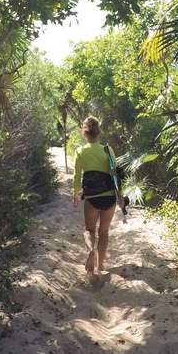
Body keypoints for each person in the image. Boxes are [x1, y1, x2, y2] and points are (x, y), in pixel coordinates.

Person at [72, 116, 119, 274]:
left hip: (92, 198)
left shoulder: (80, 151)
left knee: (89, 230)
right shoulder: (108, 150)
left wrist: (75, 193)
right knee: (104, 232)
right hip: (109, 197)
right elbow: (114, 175)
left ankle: (91, 250)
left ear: (84, 133)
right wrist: (120, 195)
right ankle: (101, 265)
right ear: (99, 133)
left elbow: (77, 175)